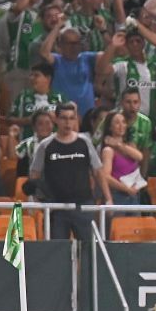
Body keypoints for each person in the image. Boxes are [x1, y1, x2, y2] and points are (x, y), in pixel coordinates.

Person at [29, 102, 113, 241]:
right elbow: (35, 174)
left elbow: (98, 171)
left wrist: (108, 198)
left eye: (71, 118)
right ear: (56, 119)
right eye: (64, 118)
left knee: (89, 250)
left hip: (83, 206)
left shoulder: (84, 142)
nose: (68, 122)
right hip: (56, 208)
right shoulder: (46, 146)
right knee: (57, 251)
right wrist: (37, 198)